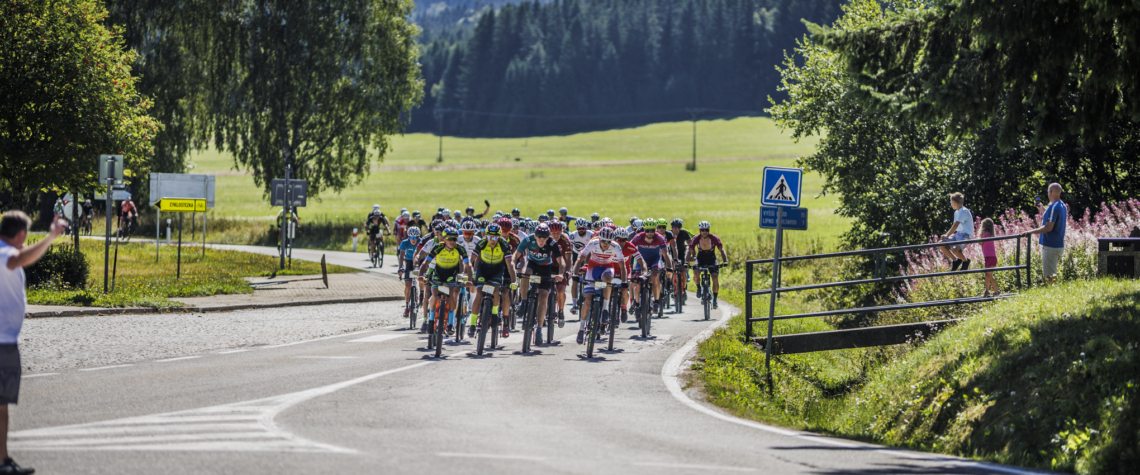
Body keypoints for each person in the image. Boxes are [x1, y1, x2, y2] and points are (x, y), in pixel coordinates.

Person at [1, 210, 69, 475]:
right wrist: (51, 236)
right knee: (1, 406)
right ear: (19, 234)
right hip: (3, 343)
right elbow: (19, 258)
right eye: (25, 237)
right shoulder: (7, 255)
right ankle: (2, 462)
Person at [573, 227, 630, 344]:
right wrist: (574, 273)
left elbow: (622, 265)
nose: (605, 244)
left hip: (607, 269)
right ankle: (581, 329)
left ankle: (605, 310)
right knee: (587, 300)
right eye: (603, 241)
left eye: (608, 242)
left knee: (608, 279)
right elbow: (581, 257)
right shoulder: (593, 243)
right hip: (592, 269)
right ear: (600, 239)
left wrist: (624, 281)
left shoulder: (615, 246)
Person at [512, 223, 565, 346]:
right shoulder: (528, 239)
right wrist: (513, 266)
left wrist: (561, 274)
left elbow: (560, 261)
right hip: (532, 264)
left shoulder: (552, 243)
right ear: (535, 236)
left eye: (544, 238)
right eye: (539, 238)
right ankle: (524, 301)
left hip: (545, 267)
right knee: (525, 274)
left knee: (543, 297)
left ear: (547, 237)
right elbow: (516, 255)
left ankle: (540, 329)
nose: (542, 241)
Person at [466, 223, 517, 339]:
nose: (492, 240)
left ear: (499, 237)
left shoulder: (504, 244)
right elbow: (471, 260)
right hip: (483, 269)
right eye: (490, 237)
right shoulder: (482, 242)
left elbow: (510, 264)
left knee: (496, 291)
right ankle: (473, 324)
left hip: (497, 270)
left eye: (495, 237)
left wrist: (514, 281)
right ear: (486, 236)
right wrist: (468, 275)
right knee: (479, 294)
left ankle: (494, 314)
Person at [1023, 183, 1067, 284]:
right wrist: (1043, 209)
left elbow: (1048, 227)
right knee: (1053, 274)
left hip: (1051, 246)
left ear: (1050, 192)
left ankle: (1053, 294)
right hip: (1058, 245)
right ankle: (1054, 292)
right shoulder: (1062, 205)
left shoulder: (1053, 207)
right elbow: (1053, 218)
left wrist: (1030, 232)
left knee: (1050, 277)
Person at [687, 221, 727, 309]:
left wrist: (725, 261)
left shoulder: (714, 238)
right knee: (696, 273)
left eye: (706, 230)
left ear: (708, 230)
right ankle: (698, 288)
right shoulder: (696, 238)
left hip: (711, 259)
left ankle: (715, 300)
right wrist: (687, 262)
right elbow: (689, 250)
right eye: (702, 230)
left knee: (715, 277)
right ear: (699, 230)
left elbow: (721, 249)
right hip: (700, 258)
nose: (704, 231)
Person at [937, 192, 974, 271]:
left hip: (966, 235)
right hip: (958, 234)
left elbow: (955, 225)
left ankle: (965, 261)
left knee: (955, 250)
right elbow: (955, 226)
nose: (950, 204)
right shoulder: (956, 212)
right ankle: (956, 260)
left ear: (954, 202)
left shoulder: (964, 211)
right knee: (941, 244)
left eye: (951, 202)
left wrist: (947, 235)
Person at [397, 227, 422, 319]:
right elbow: (401, 256)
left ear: (419, 237)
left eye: (415, 237)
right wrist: (400, 267)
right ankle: (407, 306)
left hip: (419, 261)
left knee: (421, 280)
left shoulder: (421, 242)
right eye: (411, 237)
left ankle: (421, 295)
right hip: (409, 261)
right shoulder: (404, 242)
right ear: (408, 237)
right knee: (408, 285)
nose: (413, 239)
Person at [979, 218, 1001, 297]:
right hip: (991, 257)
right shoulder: (991, 234)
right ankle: (987, 291)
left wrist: (980, 236)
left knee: (989, 275)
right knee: (988, 275)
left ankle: (996, 291)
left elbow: (980, 243)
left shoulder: (984, 234)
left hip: (989, 257)